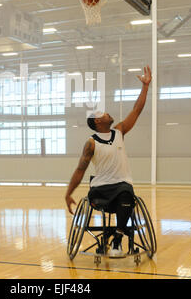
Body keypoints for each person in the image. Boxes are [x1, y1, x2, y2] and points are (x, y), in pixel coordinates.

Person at [65, 65, 152, 257]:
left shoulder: (119, 131)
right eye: (102, 113)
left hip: (122, 187)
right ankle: (115, 238)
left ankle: (117, 240)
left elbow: (137, 110)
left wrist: (145, 87)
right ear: (97, 122)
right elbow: (80, 170)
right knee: (123, 192)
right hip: (100, 189)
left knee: (126, 192)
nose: (107, 113)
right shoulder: (91, 143)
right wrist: (68, 193)